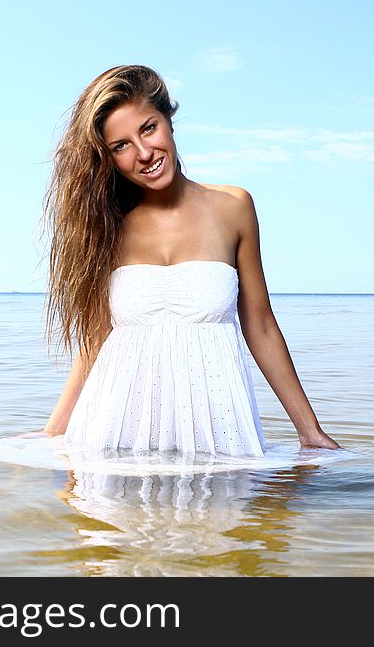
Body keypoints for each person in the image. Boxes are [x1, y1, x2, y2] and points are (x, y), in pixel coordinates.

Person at [39, 64, 339, 455]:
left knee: (234, 516)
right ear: (108, 158)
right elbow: (95, 341)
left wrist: (310, 432)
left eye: (148, 128)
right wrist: (53, 433)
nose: (144, 153)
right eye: (121, 146)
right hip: (113, 433)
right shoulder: (108, 227)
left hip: (218, 432)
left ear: (169, 122)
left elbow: (260, 326)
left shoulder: (233, 207)